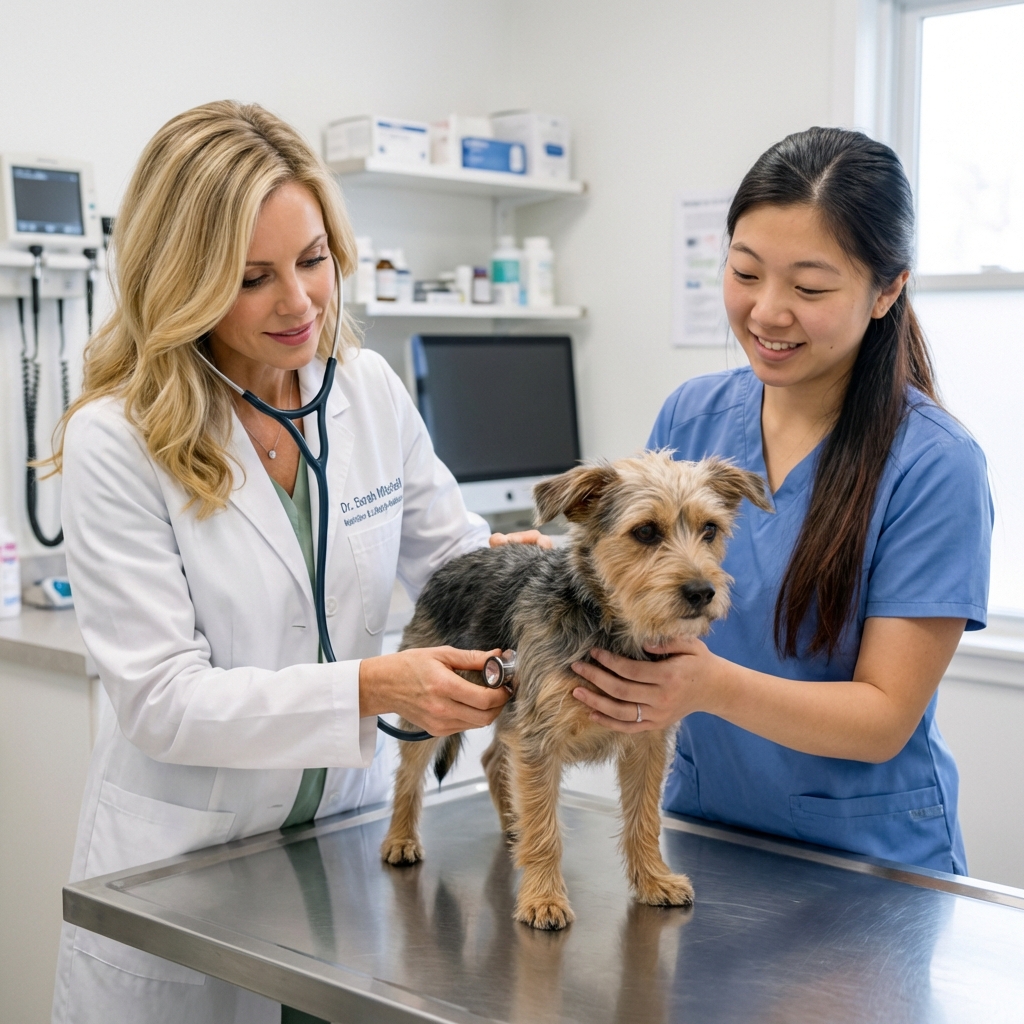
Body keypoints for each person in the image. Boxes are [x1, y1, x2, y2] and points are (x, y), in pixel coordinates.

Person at [49, 101, 545, 1024]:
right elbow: (161, 699)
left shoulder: (363, 388)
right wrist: (370, 686)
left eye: (314, 259)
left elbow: (449, 552)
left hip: (344, 847)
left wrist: (529, 575)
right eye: (252, 277)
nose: (301, 302)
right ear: (180, 281)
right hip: (187, 863)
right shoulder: (115, 439)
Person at [571, 127, 992, 876]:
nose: (766, 313)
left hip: (867, 866)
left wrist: (709, 686)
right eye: (745, 272)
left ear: (887, 289)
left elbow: (884, 718)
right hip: (706, 837)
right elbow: (644, 584)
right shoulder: (692, 417)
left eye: (809, 288)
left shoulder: (934, 466)